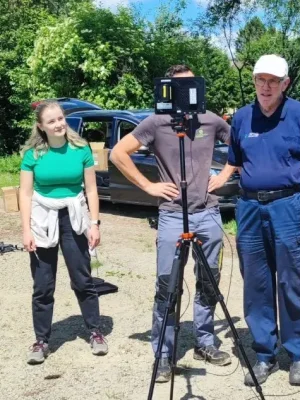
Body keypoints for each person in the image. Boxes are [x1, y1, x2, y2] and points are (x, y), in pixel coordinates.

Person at [110, 64, 234, 383]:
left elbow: (240, 145)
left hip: (207, 213)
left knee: (209, 281)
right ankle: (163, 354)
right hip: (171, 215)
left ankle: (205, 342)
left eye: (190, 85)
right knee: (167, 285)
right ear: (168, 89)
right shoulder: (156, 122)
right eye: (179, 87)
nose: (185, 93)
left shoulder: (210, 120)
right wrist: (148, 186)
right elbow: (118, 154)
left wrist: (224, 175)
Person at [211, 54, 300, 386]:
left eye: (273, 81)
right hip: (250, 208)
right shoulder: (242, 118)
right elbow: (236, 161)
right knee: (256, 283)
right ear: (254, 81)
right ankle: (264, 353)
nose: (266, 86)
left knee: (293, 281)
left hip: (290, 207)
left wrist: (292, 195)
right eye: (260, 80)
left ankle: (297, 353)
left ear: (285, 84)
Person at [19, 100, 108, 365]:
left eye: (60, 118)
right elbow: (25, 194)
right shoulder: (32, 155)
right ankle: (41, 340)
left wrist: (94, 223)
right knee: (43, 284)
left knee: (82, 279)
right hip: (42, 218)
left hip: (74, 217)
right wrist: (26, 230)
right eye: (51, 121)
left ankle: (95, 332)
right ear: (41, 126)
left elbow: (91, 189)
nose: (58, 124)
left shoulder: (81, 149)